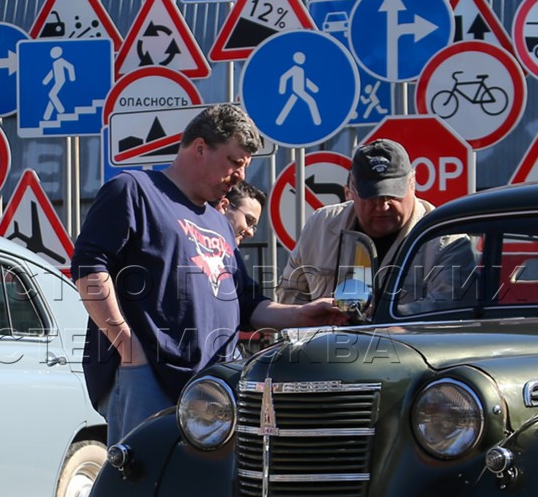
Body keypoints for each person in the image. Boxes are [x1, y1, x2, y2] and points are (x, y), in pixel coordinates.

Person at [72, 104, 343, 442]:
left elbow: (245, 304)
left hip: (213, 389)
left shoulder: (218, 221)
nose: (242, 175)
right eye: (234, 162)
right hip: (149, 378)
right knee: (143, 490)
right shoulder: (134, 190)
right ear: (200, 148)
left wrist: (302, 315)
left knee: (208, 490)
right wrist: (128, 347)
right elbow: (88, 269)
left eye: (245, 165)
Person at [277, 140, 433, 316]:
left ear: (412, 184)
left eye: (391, 196)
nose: (382, 207)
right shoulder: (320, 225)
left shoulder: (440, 235)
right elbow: (290, 294)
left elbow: (451, 308)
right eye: (371, 197)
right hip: (330, 342)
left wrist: (385, 314)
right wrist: (310, 322)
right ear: (350, 190)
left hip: (406, 343)